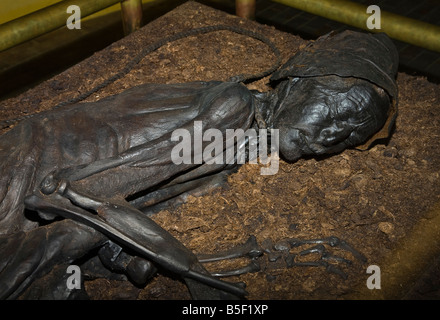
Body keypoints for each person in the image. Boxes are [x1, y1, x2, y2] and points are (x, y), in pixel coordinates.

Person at [0, 30, 398, 299]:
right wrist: (196, 274)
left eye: (349, 136)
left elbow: (135, 197)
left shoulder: (242, 146)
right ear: (295, 82)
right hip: (30, 169)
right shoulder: (233, 108)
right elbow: (85, 192)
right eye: (335, 111)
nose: (332, 136)